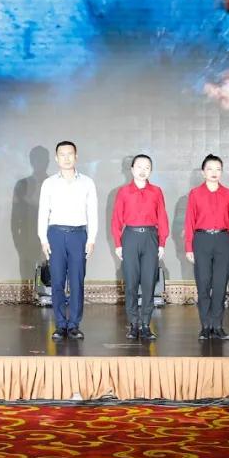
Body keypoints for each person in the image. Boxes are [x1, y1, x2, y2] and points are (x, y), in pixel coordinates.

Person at [37, 141, 97, 340]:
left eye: (70, 154)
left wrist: (91, 239)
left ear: (76, 156)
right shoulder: (49, 183)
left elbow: (92, 212)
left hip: (79, 235)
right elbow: (43, 212)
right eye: (62, 155)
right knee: (57, 281)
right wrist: (43, 239)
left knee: (77, 281)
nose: (66, 158)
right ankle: (60, 324)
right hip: (55, 234)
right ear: (56, 158)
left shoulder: (87, 182)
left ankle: (74, 325)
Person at [111, 154, 169, 340]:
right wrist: (118, 244)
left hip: (150, 237)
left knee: (149, 283)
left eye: (147, 167)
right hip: (130, 237)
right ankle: (133, 324)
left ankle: (145, 324)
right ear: (132, 169)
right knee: (131, 283)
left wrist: (162, 242)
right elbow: (116, 219)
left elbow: (162, 217)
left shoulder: (156, 191)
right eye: (139, 167)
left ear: (150, 170)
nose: (143, 171)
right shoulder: (123, 192)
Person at [184, 154, 229, 341]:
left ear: (221, 172)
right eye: (210, 169)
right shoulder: (195, 194)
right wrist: (189, 247)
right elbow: (189, 221)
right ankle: (205, 326)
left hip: (223, 241)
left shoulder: (228, 194)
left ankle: (217, 325)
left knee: (219, 285)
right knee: (203, 284)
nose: (214, 172)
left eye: (218, 169)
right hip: (201, 240)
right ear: (203, 172)